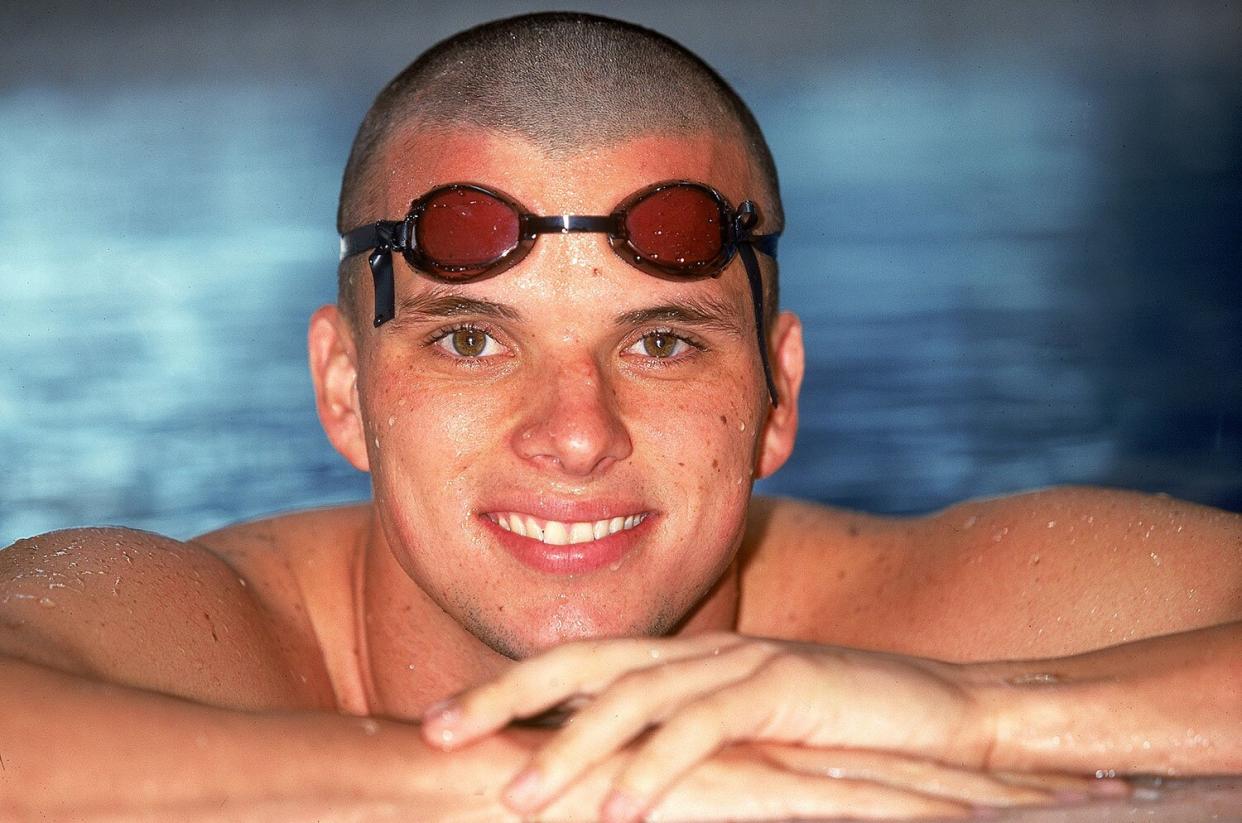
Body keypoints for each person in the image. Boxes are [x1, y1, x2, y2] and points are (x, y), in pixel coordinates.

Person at [1, 11, 1237, 821]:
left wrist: (975, 715)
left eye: (660, 341)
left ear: (777, 395)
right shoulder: (217, 643)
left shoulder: (939, 621)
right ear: (344, 389)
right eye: (474, 340)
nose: (577, 433)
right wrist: (522, 787)